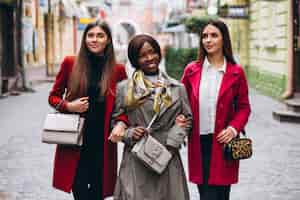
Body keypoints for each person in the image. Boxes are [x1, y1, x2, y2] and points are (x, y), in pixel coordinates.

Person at [48, 20, 128, 200]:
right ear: (84, 39)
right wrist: (69, 106)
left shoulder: (118, 70)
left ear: (108, 40)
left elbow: (125, 107)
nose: (94, 39)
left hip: (103, 143)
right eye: (90, 35)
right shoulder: (70, 63)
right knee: (80, 191)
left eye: (100, 35)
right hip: (75, 141)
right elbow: (53, 96)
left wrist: (121, 123)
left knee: (98, 192)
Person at [109, 34, 192, 200]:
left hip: (167, 157)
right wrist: (130, 134)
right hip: (137, 158)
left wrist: (173, 140)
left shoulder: (177, 87)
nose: (149, 58)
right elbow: (117, 121)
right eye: (142, 55)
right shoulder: (125, 89)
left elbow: (187, 118)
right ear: (135, 60)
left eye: (153, 52)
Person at [180, 19, 251, 200]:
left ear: (223, 40)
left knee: (222, 194)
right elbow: (180, 103)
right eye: (204, 36)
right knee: (207, 194)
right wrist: (180, 118)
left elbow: (244, 107)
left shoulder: (236, 72)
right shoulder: (191, 70)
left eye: (214, 35)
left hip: (224, 143)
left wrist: (233, 128)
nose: (208, 40)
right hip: (199, 142)